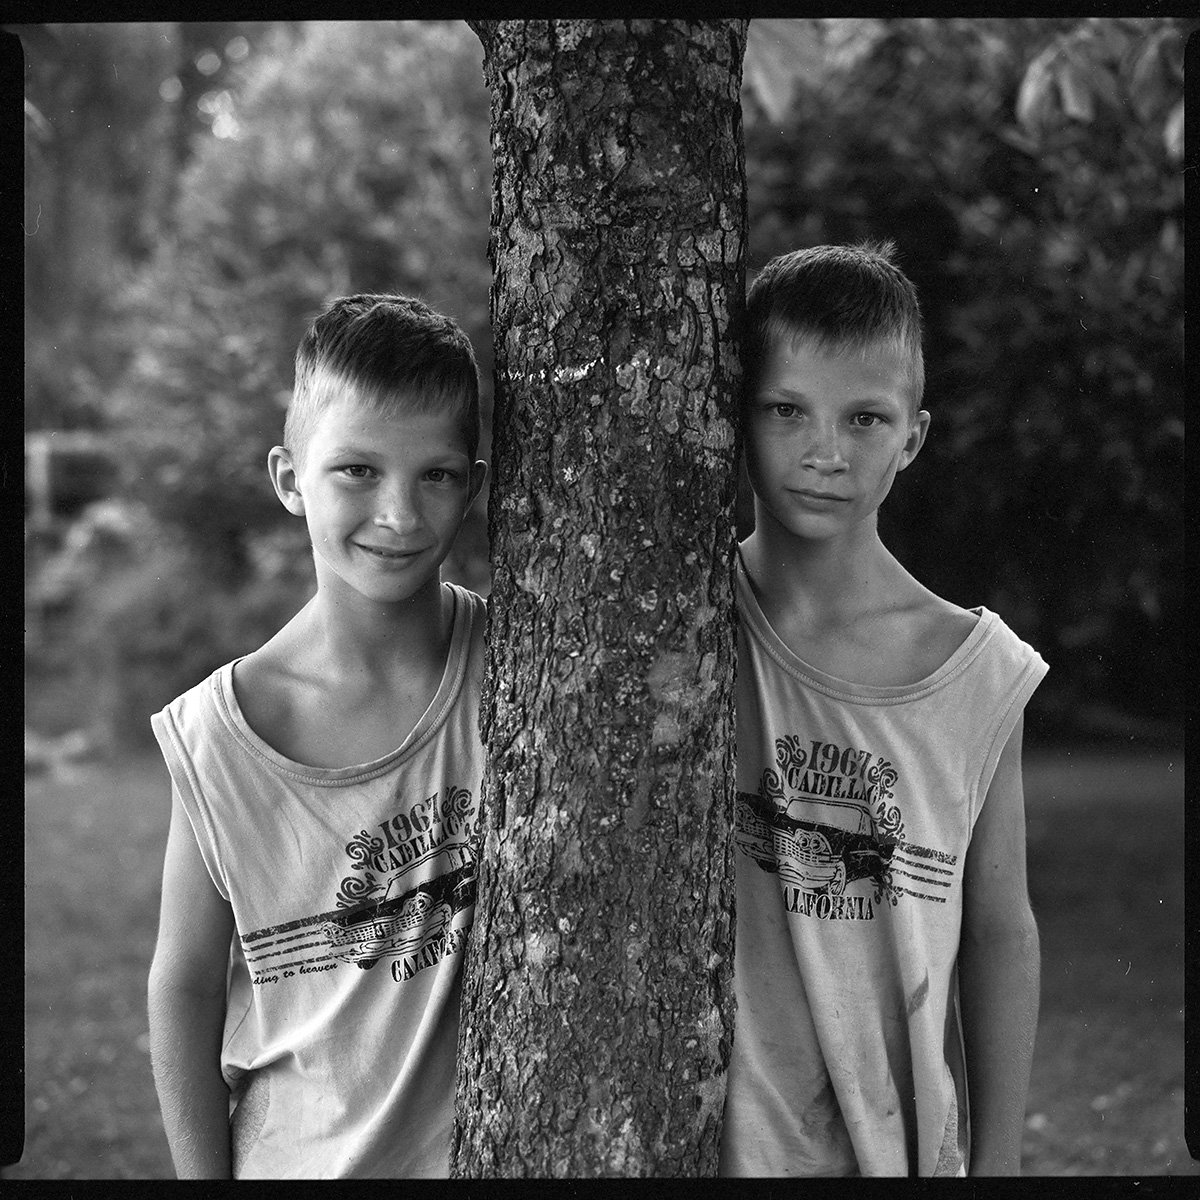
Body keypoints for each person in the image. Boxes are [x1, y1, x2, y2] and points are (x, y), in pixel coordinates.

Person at [718, 243, 1045, 1177]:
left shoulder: (977, 673)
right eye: (786, 410)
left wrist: (999, 1166)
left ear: (914, 435)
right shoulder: (684, 628)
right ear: (739, 417)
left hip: (896, 1155)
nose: (824, 453)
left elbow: (999, 930)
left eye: (864, 418)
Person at [146, 294, 489, 1179]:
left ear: (474, 486)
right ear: (290, 478)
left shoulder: (518, 673)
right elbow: (184, 982)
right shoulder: (222, 736)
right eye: (357, 471)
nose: (399, 514)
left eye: (437, 475)